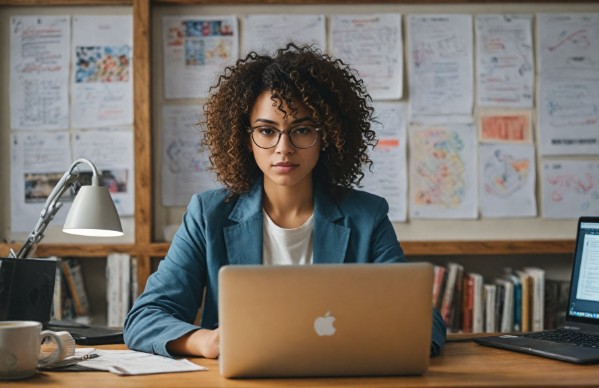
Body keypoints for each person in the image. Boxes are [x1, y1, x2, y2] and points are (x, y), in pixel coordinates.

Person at [123, 43, 446, 359]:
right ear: (245, 139)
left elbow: (425, 323)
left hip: (341, 379)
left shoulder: (366, 215)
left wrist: (366, 344)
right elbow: (145, 319)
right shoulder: (209, 214)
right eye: (266, 131)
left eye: (302, 130)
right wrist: (205, 342)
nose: (284, 148)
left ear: (328, 136)